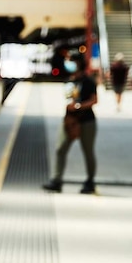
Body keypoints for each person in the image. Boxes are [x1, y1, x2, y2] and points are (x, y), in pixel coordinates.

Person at [43, 53, 97, 194]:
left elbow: (94, 100)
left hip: (86, 121)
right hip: (69, 120)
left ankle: (90, 181)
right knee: (60, 148)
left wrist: (79, 106)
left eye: (71, 61)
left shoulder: (88, 81)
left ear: (78, 63)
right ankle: (57, 180)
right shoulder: (69, 80)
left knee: (88, 151)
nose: (68, 63)